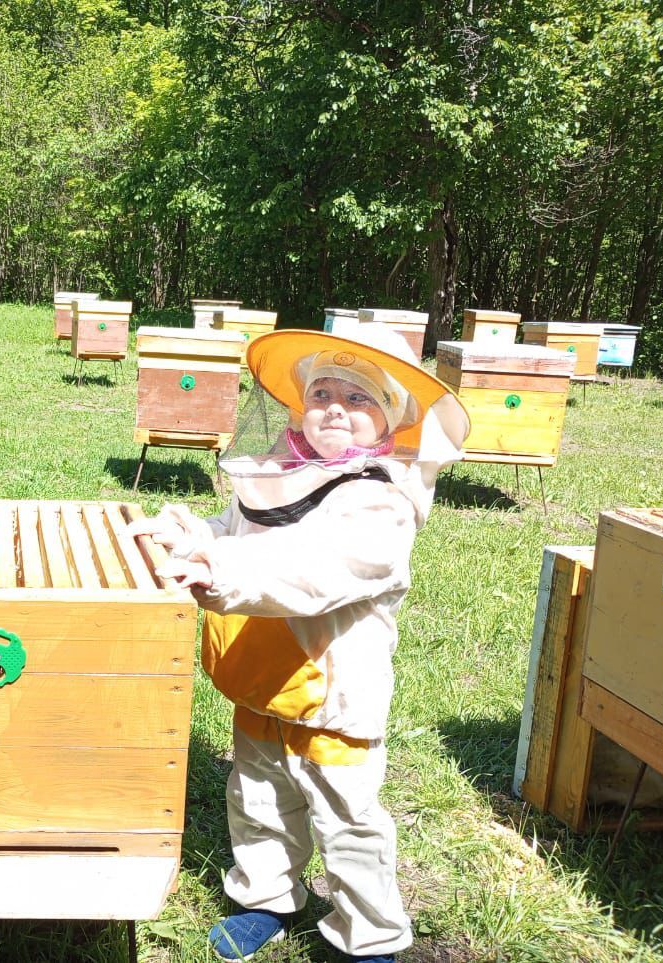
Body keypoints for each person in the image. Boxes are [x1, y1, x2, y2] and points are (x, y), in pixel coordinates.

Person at [129, 325, 469, 963]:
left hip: (333, 697)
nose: (336, 407)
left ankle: (370, 939)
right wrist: (189, 535)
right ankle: (266, 897)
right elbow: (232, 533)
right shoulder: (276, 475)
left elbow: (312, 573)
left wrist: (218, 569)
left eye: (360, 398)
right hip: (262, 678)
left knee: (347, 823)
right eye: (323, 392)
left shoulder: (380, 505)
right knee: (257, 798)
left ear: (392, 419)